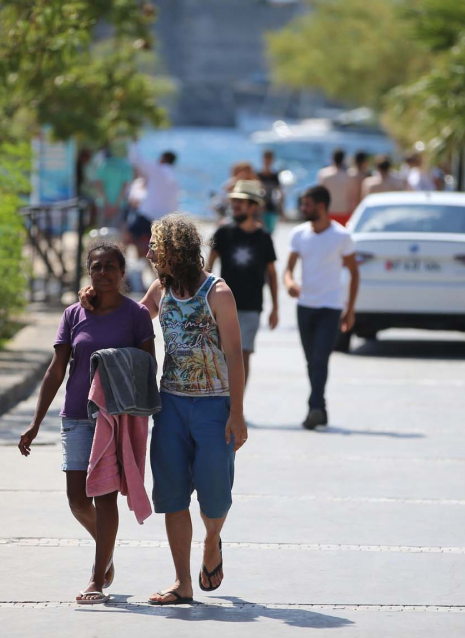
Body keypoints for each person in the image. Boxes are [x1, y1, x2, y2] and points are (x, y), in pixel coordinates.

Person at [79, 215, 248, 606]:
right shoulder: (161, 289)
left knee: (215, 495)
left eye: (157, 246)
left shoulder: (217, 292)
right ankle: (182, 582)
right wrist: (95, 297)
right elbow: (129, 319)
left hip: (214, 406)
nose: (151, 253)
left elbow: (235, 353)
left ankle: (211, 540)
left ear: (177, 249)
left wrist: (236, 413)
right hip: (169, 405)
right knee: (171, 496)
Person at [17, 242, 155, 604]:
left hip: (113, 419)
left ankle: (96, 578)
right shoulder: (74, 314)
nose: (104, 273)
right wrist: (35, 422)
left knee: (104, 497)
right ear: (88, 272)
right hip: (76, 415)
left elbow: (147, 368)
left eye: (111, 267)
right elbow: (56, 369)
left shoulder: (136, 315)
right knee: (77, 499)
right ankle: (105, 550)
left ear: (123, 273)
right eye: (97, 267)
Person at [283, 185, 360, 430]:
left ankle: (314, 408)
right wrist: (290, 283)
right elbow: (288, 269)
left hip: (331, 306)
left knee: (320, 359)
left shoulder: (342, 236)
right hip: (306, 305)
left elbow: (355, 273)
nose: (303, 208)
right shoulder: (298, 234)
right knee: (310, 361)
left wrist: (350, 309)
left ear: (322, 206)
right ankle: (321, 408)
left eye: (307, 204)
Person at [206, 180, 279, 388]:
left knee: (242, 354)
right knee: (221, 354)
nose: (235, 205)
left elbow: (271, 274)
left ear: (252, 206)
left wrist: (275, 308)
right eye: (234, 201)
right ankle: (223, 401)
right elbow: (208, 268)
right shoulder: (223, 233)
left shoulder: (264, 237)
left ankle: (237, 406)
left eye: (241, 202)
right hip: (222, 306)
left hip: (251, 306)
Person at [129, 149, 179, 257]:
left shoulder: (158, 169)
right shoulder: (173, 176)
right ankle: (147, 265)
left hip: (149, 215)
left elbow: (138, 160)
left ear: (163, 159)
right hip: (165, 218)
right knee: (154, 246)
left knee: (129, 235)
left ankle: (141, 261)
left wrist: (133, 144)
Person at [94, 146, 134, 228]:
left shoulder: (103, 164)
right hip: (119, 206)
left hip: (104, 204)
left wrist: (106, 203)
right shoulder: (126, 166)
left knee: (102, 232)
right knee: (115, 234)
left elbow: (98, 184)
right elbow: (125, 187)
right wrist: (115, 205)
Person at [317, 148, 360, 225]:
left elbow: (320, 195)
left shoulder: (324, 174)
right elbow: (354, 197)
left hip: (329, 211)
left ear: (332, 158)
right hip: (345, 212)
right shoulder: (350, 175)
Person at [257, 150, 282, 234]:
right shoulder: (258, 175)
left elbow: (279, 193)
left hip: (271, 207)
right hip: (259, 209)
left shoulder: (275, 176)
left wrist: (281, 209)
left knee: (269, 232)